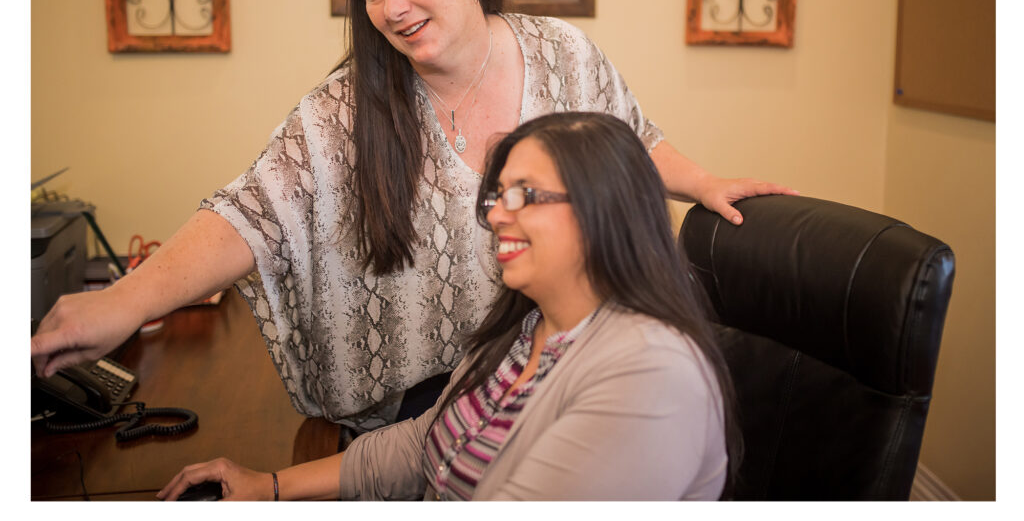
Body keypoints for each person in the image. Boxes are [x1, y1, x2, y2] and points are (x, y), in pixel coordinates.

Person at [31, 0, 793, 433]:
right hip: (414, 406)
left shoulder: (562, 54)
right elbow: (249, 212)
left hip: (554, 376)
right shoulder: (347, 106)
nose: (389, 7)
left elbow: (630, 139)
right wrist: (125, 302)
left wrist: (702, 183)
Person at [158, 111, 738, 501]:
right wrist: (270, 487)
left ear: (604, 210)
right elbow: (427, 442)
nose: (496, 215)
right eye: (498, 194)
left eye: (526, 196)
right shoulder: (529, 326)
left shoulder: (650, 374)